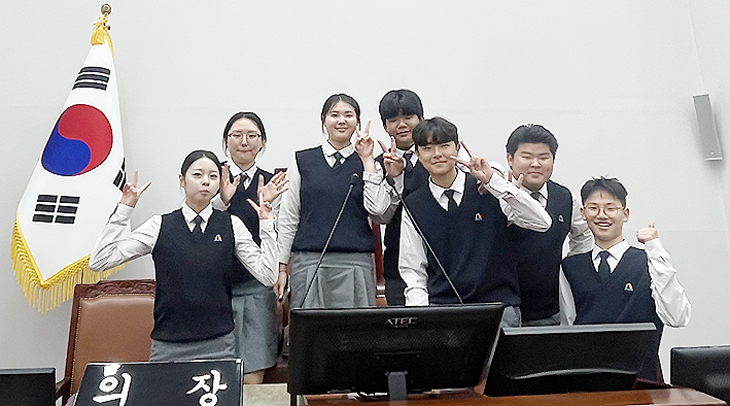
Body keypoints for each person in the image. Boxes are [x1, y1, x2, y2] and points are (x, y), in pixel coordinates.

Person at [89, 149, 281, 362]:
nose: (206, 181)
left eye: (213, 176)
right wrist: (125, 208)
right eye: (197, 175)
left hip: (219, 344)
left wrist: (266, 223)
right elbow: (100, 260)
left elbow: (268, 276)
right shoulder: (160, 225)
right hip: (168, 346)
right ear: (182, 180)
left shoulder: (231, 225)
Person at [398, 117, 552, 327]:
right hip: (442, 311)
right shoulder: (413, 205)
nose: (437, 154)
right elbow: (413, 269)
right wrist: (421, 317)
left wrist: (495, 182)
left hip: (498, 309)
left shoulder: (489, 189)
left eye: (444, 146)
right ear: (417, 154)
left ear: (457, 148)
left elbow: (542, 222)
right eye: (427, 148)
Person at [560, 177, 691, 380]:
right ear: (583, 213)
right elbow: (566, 328)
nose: (601, 215)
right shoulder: (570, 267)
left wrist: (656, 248)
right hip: (586, 379)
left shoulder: (650, 262)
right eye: (593, 208)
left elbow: (678, 317)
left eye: (610, 208)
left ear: (625, 214)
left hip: (640, 379)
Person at [277, 93, 390, 310]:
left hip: (356, 261)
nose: (341, 120)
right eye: (334, 115)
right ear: (324, 120)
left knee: (355, 326)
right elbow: (289, 217)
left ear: (357, 121)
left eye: (349, 115)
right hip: (309, 260)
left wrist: (367, 159)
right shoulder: (302, 160)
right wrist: (282, 267)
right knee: (309, 327)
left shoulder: (369, 163)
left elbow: (378, 210)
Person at [214, 112, 288, 384]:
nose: (244, 142)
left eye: (252, 136)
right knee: (218, 374)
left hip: (257, 286)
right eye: (236, 135)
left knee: (253, 369)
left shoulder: (273, 183)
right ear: (226, 141)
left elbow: (283, 231)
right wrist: (222, 200)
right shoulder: (211, 178)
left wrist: (281, 270)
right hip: (215, 288)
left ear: (262, 142)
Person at [504, 124, 593, 326]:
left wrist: (572, 270)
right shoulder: (497, 195)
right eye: (527, 157)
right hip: (502, 310)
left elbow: (583, 235)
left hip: (550, 311)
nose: (535, 164)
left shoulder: (565, 197)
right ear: (510, 159)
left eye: (543, 157)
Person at [374, 89, 428, 306]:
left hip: (440, 258)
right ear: (385, 126)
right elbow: (380, 215)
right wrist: (395, 178)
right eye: (393, 120)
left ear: (421, 119)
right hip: (396, 261)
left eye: (408, 117)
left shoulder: (438, 159)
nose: (401, 125)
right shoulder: (377, 165)